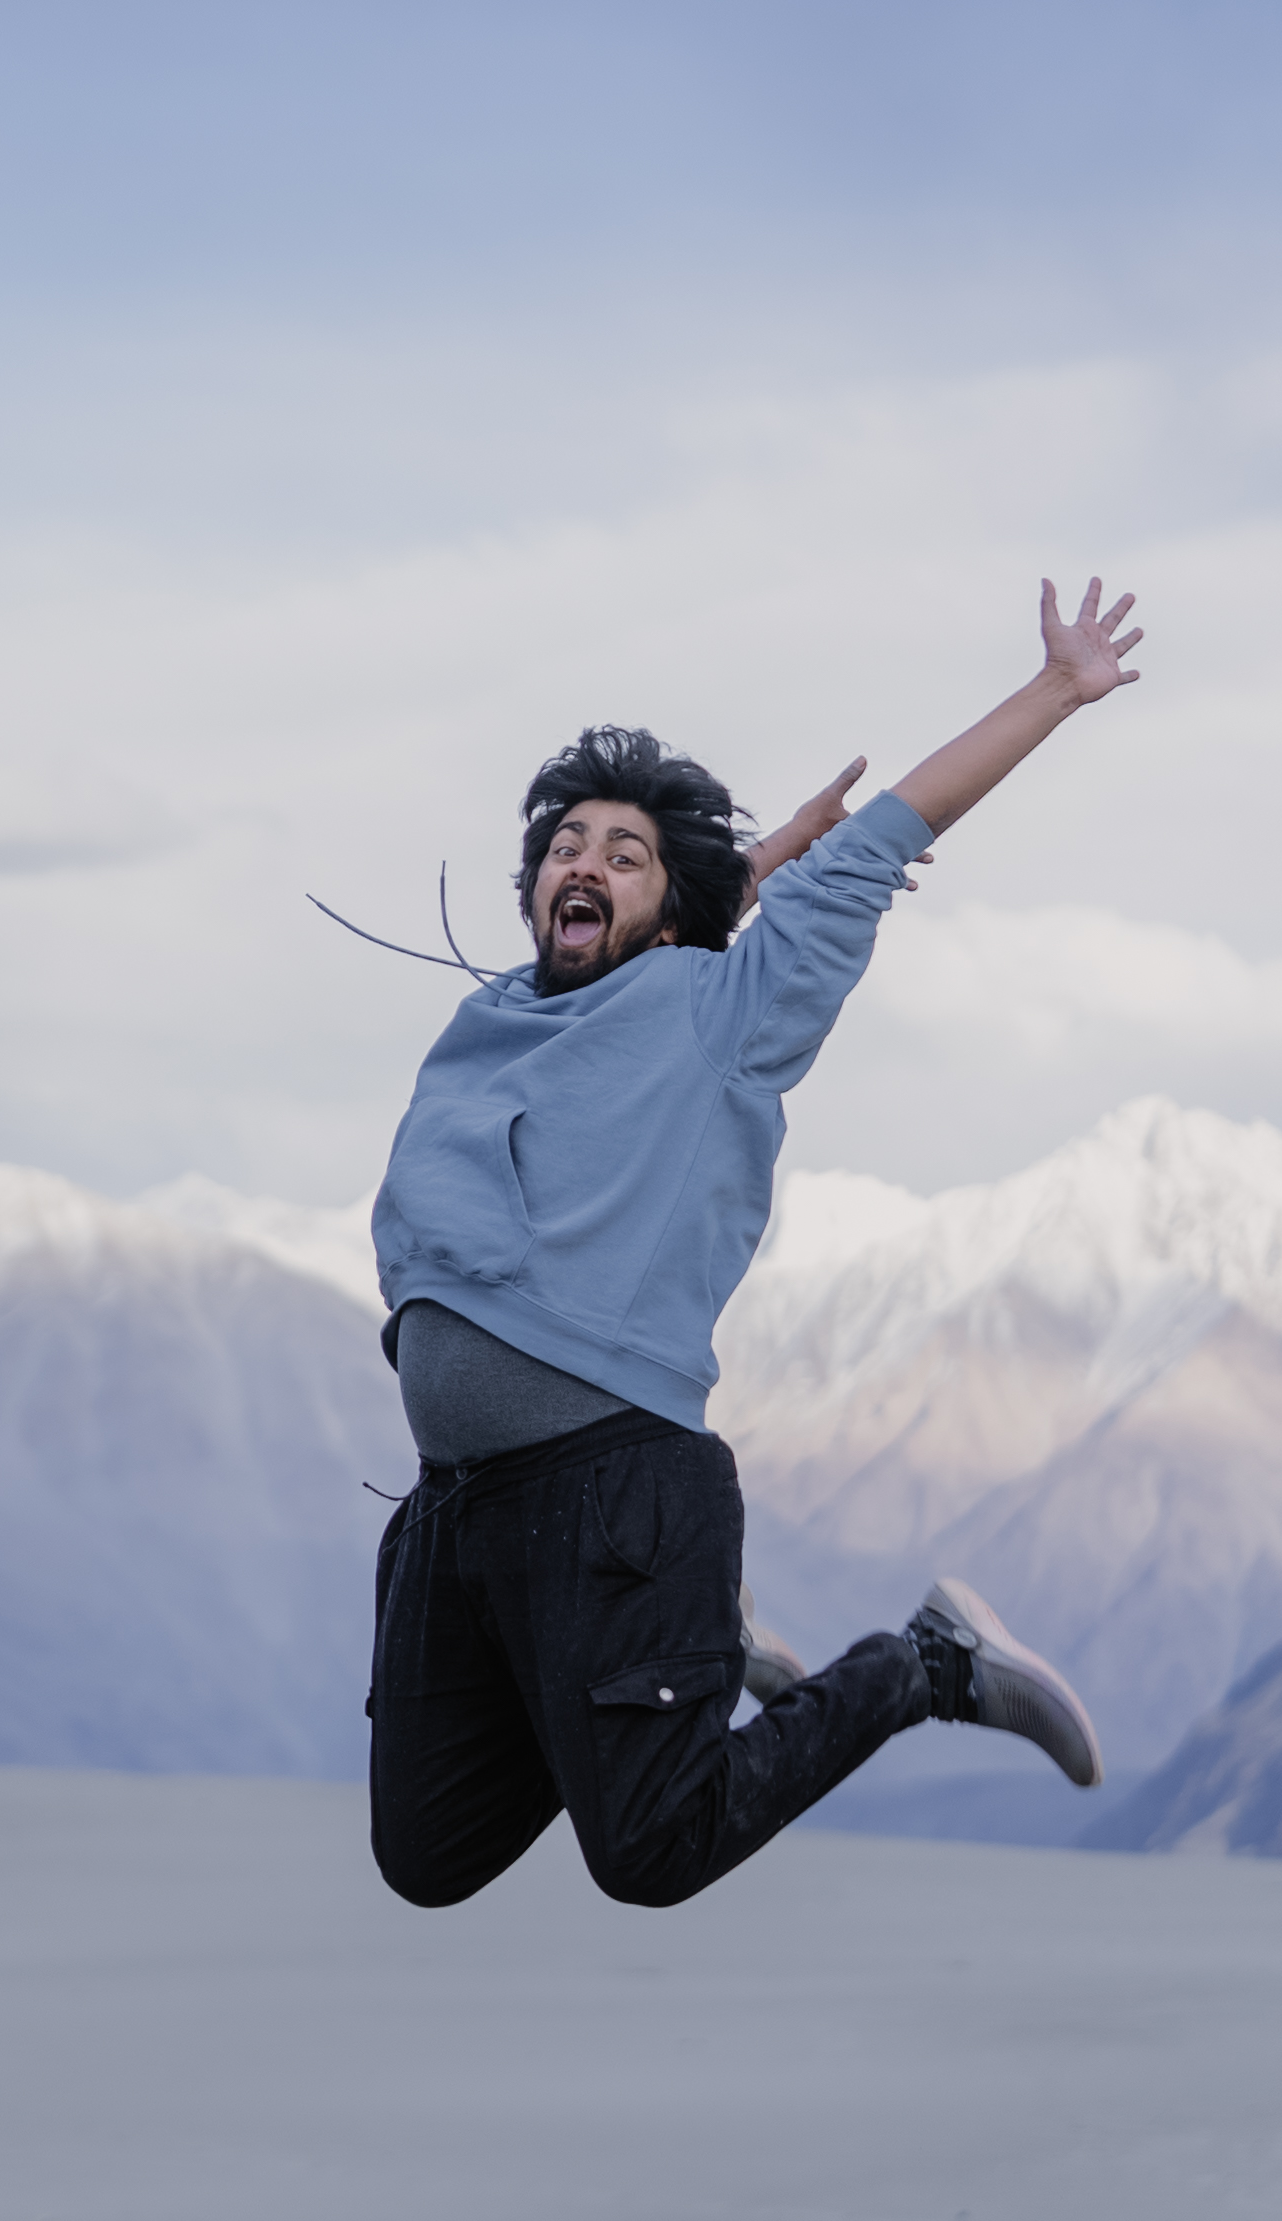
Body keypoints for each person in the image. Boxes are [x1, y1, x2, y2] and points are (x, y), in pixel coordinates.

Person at [365, 577, 1146, 1910]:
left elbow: (879, 841)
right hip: (457, 1509)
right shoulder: (497, 1014)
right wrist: (741, 858)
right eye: (569, 846)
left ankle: (926, 1664)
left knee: (653, 1854)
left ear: (675, 916)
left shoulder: (722, 1015)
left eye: (625, 853)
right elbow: (663, 918)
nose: (585, 863)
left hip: (615, 1489)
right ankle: (700, 1647)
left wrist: (1056, 690)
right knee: (426, 1859)